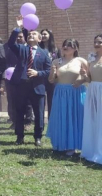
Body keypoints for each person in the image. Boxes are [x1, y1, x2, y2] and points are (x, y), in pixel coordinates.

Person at [8, 17, 51, 146]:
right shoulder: (21, 49)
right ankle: (19, 137)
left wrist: (38, 73)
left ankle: (37, 137)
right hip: (21, 86)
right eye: (30, 34)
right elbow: (10, 43)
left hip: (37, 87)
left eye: (34, 35)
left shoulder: (44, 53)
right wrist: (18, 28)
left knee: (38, 114)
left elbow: (49, 70)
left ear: (39, 39)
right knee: (19, 112)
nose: (31, 35)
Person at [46, 38, 87, 156]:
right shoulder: (56, 62)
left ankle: (72, 146)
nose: (65, 47)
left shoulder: (81, 60)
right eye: (64, 44)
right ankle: (59, 145)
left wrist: (81, 80)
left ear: (75, 49)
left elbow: (88, 78)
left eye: (69, 45)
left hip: (76, 92)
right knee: (61, 117)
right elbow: (50, 80)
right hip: (61, 93)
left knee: (74, 118)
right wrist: (53, 73)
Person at [81, 34, 102, 164]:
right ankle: (93, 149)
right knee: (93, 119)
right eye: (95, 42)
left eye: (100, 42)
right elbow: (89, 79)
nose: (97, 44)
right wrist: (84, 75)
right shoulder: (91, 58)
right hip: (93, 90)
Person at [39, 29, 61, 119]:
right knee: (41, 101)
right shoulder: (38, 48)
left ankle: (51, 120)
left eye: (45, 34)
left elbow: (60, 63)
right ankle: (40, 121)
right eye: (42, 34)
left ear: (50, 35)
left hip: (52, 78)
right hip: (41, 77)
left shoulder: (56, 49)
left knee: (51, 100)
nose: (43, 36)